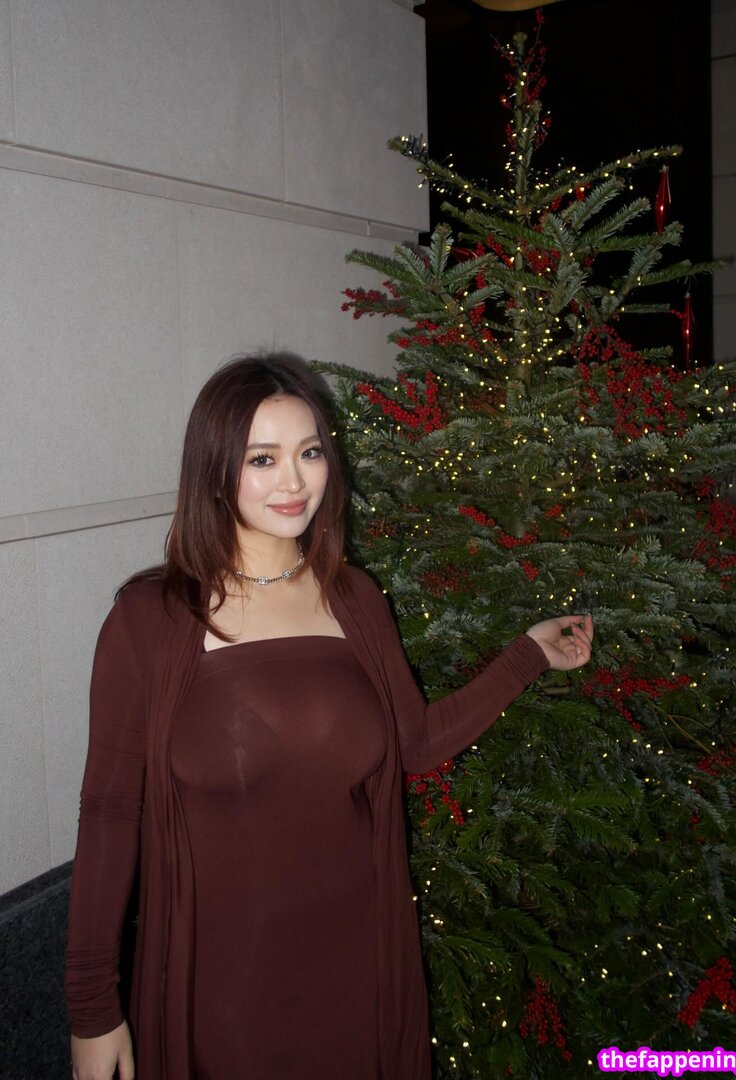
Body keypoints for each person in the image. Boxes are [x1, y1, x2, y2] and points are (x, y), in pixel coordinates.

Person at [66, 352, 593, 1080]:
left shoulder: (354, 599)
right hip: (220, 990)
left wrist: (527, 656)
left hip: (359, 970)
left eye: (309, 452)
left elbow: (414, 742)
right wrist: (93, 1009)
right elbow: (108, 813)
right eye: (263, 458)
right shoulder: (149, 620)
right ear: (214, 470)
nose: (294, 481)